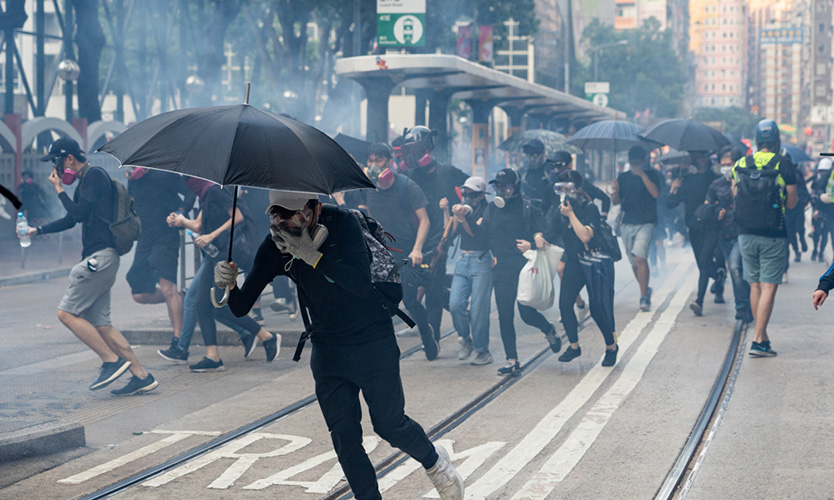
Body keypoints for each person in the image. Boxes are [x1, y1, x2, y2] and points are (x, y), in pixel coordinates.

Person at [215, 191, 465, 500]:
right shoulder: (275, 245)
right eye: (277, 214)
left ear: (315, 208)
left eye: (294, 213)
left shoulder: (343, 223)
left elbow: (359, 283)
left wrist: (313, 256)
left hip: (372, 339)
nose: (286, 222)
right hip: (328, 347)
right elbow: (241, 306)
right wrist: (228, 284)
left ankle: (435, 462)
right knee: (345, 437)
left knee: (389, 425)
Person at [21, 138, 158, 395]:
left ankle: (111, 361)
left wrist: (59, 189)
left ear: (69, 158)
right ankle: (141, 375)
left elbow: (80, 213)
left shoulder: (94, 175)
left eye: (56, 162)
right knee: (101, 324)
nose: (56, 169)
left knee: (66, 314)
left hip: (100, 258)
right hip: (103, 258)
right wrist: (36, 230)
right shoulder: (88, 181)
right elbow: (71, 219)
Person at [161, 178, 279, 370]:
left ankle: (266, 336)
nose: (187, 185)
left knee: (219, 305)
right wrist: (180, 221)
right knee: (202, 304)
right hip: (215, 256)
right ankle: (213, 357)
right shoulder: (206, 195)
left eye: (188, 180)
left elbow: (238, 217)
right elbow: (198, 226)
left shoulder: (217, 190)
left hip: (226, 253)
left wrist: (211, 235)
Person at [475, 168, 561, 376]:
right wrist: (473, 222)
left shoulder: (527, 207)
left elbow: (547, 231)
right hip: (501, 268)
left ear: (515, 187)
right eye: (497, 186)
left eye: (505, 186)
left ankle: (548, 329)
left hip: (524, 267)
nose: (501, 191)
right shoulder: (492, 210)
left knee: (526, 313)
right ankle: (512, 359)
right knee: (504, 316)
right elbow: (483, 236)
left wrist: (533, 242)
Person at [363, 143, 437, 360]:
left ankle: (426, 332)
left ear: (388, 161)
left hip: (404, 252)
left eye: (378, 160)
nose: (374, 165)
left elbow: (425, 220)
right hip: (377, 253)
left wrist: (417, 249)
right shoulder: (366, 187)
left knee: (410, 301)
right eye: (371, 161)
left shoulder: (407, 186)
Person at [732, 119, 797, 357]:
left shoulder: (740, 164)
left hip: (745, 233)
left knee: (755, 284)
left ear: (757, 141)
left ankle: (763, 337)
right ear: (777, 140)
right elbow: (791, 204)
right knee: (769, 285)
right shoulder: (785, 164)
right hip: (773, 234)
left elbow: (735, 195)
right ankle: (758, 340)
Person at [402, 126, 469, 348]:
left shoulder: (447, 172)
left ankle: (434, 339)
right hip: (415, 241)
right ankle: (461, 310)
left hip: (440, 241)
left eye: (416, 148)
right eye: (408, 149)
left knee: (432, 291)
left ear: (428, 147)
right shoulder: (410, 176)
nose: (411, 154)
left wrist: (460, 211)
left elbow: (469, 190)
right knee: (414, 291)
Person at [543, 170, 618, 366]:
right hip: (575, 261)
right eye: (559, 189)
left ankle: (611, 346)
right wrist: (535, 238)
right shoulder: (558, 209)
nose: (563, 193)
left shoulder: (589, 207)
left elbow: (585, 236)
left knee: (598, 308)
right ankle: (574, 346)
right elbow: (550, 234)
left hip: (596, 262)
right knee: (565, 303)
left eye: (567, 188)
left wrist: (571, 215)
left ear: (577, 189)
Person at [126, 167, 195, 352]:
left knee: (167, 287)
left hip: (166, 237)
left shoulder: (165, 173)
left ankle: (178, 342)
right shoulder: (133, 178)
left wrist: (180, 212)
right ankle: (182, 298)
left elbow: (190, 193)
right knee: (139, 294)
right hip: (144, 239)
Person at [667, 150, 722, 315]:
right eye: (693, 156)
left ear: (706, 158)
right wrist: (673, 189)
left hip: (712, 226)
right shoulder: (686, 180)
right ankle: (719, 277)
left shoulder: (714, 179)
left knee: (705, 261)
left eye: (698, 156)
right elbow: (671, 204)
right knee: (701, 264)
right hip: (693, 227)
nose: (695, 159)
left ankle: (700, 300)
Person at [448, 176, 493, 365]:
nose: (467, 196)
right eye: (465, 193)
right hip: (463, 259)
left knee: (478, 309)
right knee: (455, 304)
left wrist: (463, 218)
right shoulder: (462, 208)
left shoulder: (488, 210)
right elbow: (450, 234)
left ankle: (482, 349)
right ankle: (465, 339)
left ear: (481, 195)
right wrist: (448, 213)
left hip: (481, 260)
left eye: (472, 194)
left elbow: (478, 234)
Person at [611, 145, 662, 311]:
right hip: (627, 223)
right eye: (633, 163)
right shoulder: (623, 177)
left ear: (645, 161)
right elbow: (616, 202)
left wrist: (642, 175)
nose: (636, 165)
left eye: (639, 162)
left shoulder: (653, 174)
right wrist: (614, 190)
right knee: (633, 260)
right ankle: (645, 288)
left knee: (640, 257)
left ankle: (643, 297)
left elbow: (655, 194)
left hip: (646, 222)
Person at [706, 146, 753, 323]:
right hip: (724, 234)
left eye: (730, 164)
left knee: (735, 267)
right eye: (723, 164)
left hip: (744, 232)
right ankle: (747, 303)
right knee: (737, 271)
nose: (726, 167)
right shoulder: (716, 184)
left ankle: (742, 306)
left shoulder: (747, 181)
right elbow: (707, 205)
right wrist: (716, 210)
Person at [809, 158, 834, 262]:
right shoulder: (818, 180)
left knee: (827, 234)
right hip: (822, 209)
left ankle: (820, 253)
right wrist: (817, 207)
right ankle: (816, 250)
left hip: (828, 210)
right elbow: (814, 193)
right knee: (818, 232)